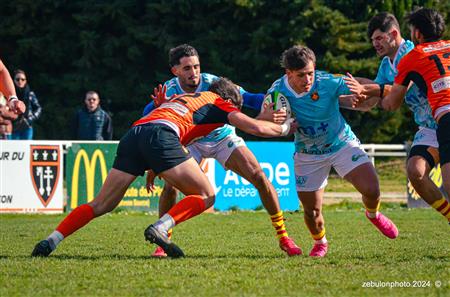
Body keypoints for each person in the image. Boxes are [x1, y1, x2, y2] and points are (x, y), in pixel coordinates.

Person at [31, 77, 297, 258]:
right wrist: (286, 127)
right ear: (231, 100)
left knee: (101, 203)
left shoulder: (184, 98)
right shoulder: (218, 102)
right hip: (161, 135)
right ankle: (161, 226)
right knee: (206, 195)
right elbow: (257, 127)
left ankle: (52, 239)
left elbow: (163, 129)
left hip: (134, 134)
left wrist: (153, 165)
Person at [144, 44, 302, 257]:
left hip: (222, 137)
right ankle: (163, 241)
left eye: (197, 67)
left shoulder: (213, 83)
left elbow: (250, 99)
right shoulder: (168, 90)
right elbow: (149, 116)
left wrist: (273, 102)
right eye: (188, 68)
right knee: (171, 188)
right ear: (175, 71)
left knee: (260, 177)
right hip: (191, 140)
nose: (194, 73)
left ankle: (283, 236)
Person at [267, 45, 399, 258]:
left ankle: (373, 214)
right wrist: (280, 124)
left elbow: (366, 88)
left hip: (341, 143)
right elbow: (266, 118)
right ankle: (320, 242)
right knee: (312, 212)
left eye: (310, 73)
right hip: (308, 153)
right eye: (301, 75)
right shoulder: (276, 91)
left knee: (372, 189)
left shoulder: (327, 81)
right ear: (288, 73)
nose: (307, 79)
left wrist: (362, 93)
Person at [346, 8, 450, 223]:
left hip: (442, 115)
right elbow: (382, 103)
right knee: (415, 172)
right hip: (430, 125)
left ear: (394, 34)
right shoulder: (385, 66)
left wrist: (368, 88)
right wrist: (345, 100)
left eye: (379, 38)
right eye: (372, 40)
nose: (375, 43)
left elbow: (401, 90)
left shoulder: (413, 52)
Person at [12, 69, 42, 140]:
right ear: (13, 80)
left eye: (23, 79)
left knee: (26, 149)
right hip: (13, 127)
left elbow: (38, 108)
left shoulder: (30, 94)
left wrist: (30, 119)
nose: (20, 81)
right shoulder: (11, 95)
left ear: (25, 81)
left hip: (27, 127)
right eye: (17, 79)